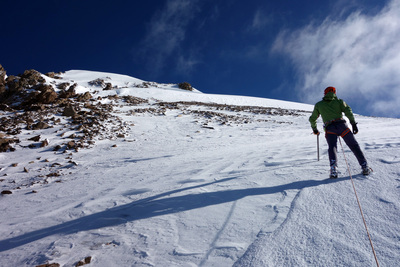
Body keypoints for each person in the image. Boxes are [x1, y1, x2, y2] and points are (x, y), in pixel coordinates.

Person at [309, 86, 370, 178]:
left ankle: (333, 170)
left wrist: (315, 129)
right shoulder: (339, 101)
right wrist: (353, 123)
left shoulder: (319, 105)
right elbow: (348, 111)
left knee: (332, 147)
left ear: (325, 93)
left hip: (330, 129)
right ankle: (364, 166)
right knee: (354, 145)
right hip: (342, 126)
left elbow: (312, 119)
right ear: (334, 92)